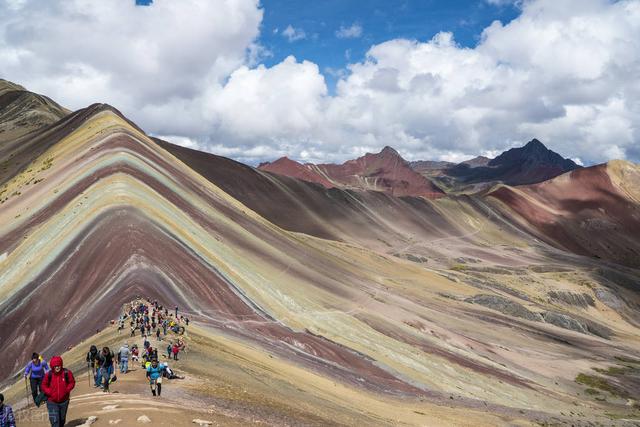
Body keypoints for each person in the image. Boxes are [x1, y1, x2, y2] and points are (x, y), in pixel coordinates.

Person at [41, 356, 75, 427]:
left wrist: (66, 390)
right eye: (55, 366)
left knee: (62, 420)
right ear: (52, 366)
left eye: (58, 365)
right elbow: (43, 385)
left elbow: (72, 382)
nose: (57, 367)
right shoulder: (48, 375)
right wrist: (50, 392)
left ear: (61, 365)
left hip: (64, 401)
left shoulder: (67, 373)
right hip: (51, 402)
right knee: (55, 421)